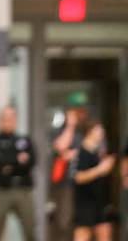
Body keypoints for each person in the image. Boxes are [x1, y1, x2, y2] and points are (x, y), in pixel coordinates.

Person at [0, 105, 36, 241]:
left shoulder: (24, 140)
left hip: (23, 189)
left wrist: (9, 163)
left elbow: (31, 162)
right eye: (5, 118)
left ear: (16, 119)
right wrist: (18, 159)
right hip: (2, 190)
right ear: (0, 120)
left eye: (11, 117)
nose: (8, 121)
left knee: (30, 230)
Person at [50, 96, 90, 240]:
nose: (81, 114)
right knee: (64, 220)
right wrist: (70, 125)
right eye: (76, 111)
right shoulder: (61, 129)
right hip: (66, 183)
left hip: (86, 181)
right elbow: (61, 147)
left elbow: (93, 150)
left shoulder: (87, 128)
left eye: (82, 110)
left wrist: (75, 153)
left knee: (84, 221)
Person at [73, 120, 115, 241]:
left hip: (98, 201)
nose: (102, 132)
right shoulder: (82, 152)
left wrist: (106, 166)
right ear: (90, 132)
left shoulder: (96, 152)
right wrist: (100, 169)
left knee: (105, 232)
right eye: (99, 129)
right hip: (85, 203)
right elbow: (79, 177)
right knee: (83, 235)